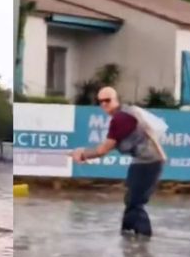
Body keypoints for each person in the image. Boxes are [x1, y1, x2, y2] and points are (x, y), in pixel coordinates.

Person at [70, 87, 166, 238]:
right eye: (100, 101)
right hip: (144, 161)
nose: (104, 105)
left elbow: (102, 150)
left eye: (107, 100)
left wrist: (82, 154)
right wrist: (83, 153)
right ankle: (127, 237)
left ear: (116, 99)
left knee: (135, 203)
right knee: (130, 200)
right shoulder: (129, 112)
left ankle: (144, 241)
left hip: (148, 162)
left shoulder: (120, 119)